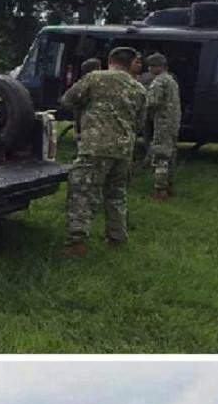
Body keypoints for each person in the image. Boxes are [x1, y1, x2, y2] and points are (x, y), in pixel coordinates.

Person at [59, 46, 147, 256]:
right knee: (116, 194)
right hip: (124, 148)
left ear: (110, 60)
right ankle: (116, 238)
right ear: (130, 63)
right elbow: (141, 123)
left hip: (96, 146)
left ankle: (76, 242)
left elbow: (68, 100)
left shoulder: (96, 78)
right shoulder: (139, 88)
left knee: (82, 192)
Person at [145, 53, 181, 199]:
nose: (149, 69)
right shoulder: (171, 80)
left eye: (151, 66)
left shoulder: (159, 81)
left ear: (158, 67)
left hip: (162, 122)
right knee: (171, 153)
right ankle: (169, 184)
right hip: (173, 122)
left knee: (161, 155)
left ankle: (160, 189)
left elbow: (152, 101)